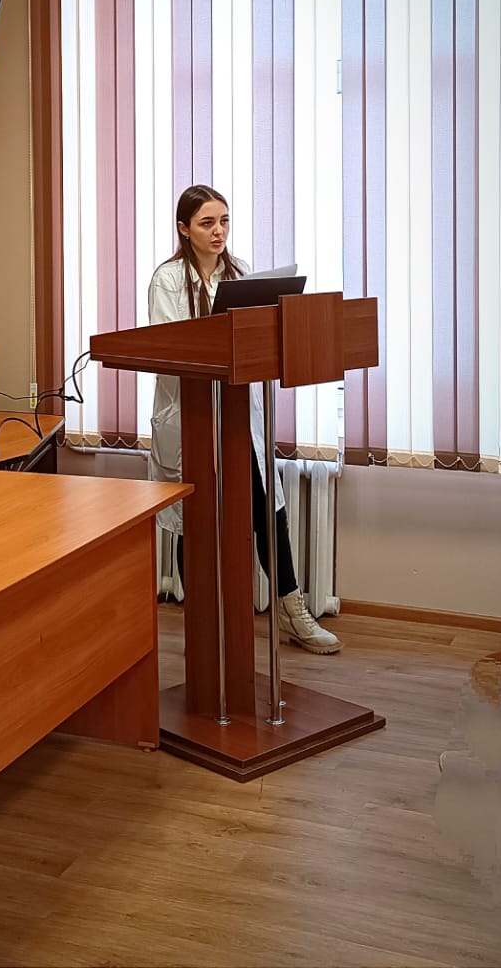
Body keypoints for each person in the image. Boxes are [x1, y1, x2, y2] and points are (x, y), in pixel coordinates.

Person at [147, 183, 341, 654]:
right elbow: (170, 346)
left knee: (268, 511)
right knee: (195, 522)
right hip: (193, 417)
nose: (219, 231)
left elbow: (257, 338)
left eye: (224, 221)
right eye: (207, 223)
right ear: (184, 229)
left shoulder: (242, 275)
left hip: (238, 420)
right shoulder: (168, 280)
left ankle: (294, 613)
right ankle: (202, 627)